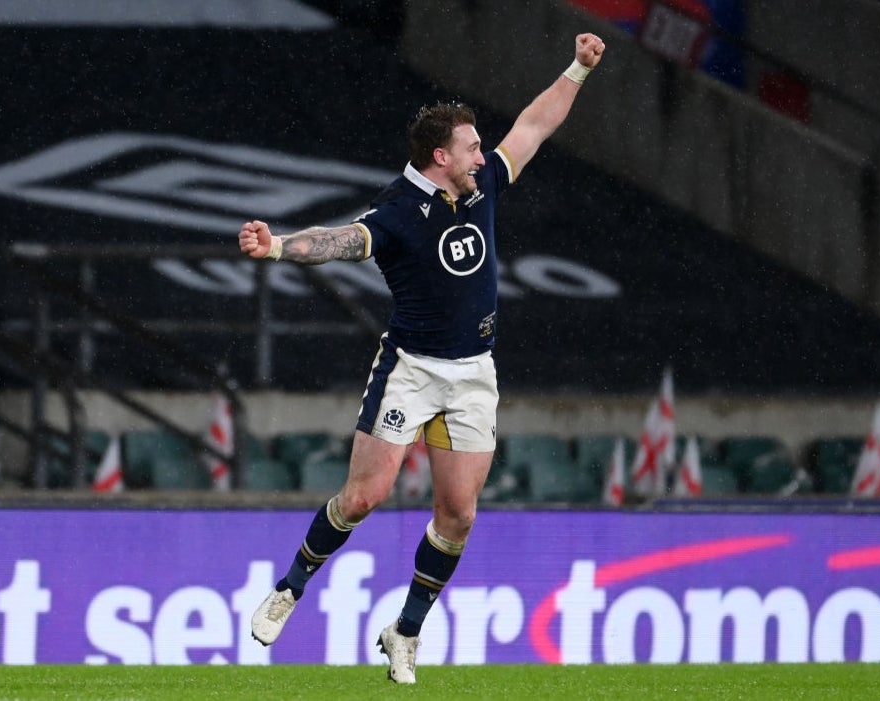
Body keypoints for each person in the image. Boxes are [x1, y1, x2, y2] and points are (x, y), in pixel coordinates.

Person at [238, 32, 605, 684]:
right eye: (469, 147)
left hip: (474, 373)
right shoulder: (398, 212)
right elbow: (342, 241)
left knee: (458, 513)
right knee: (364, 496)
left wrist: (577, 68)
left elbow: (534, 127)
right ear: (441, 157)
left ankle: (404, 630)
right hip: (412, 367)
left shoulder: (482, 182)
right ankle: (290, 587)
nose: (481, 154)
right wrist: (275, 248)